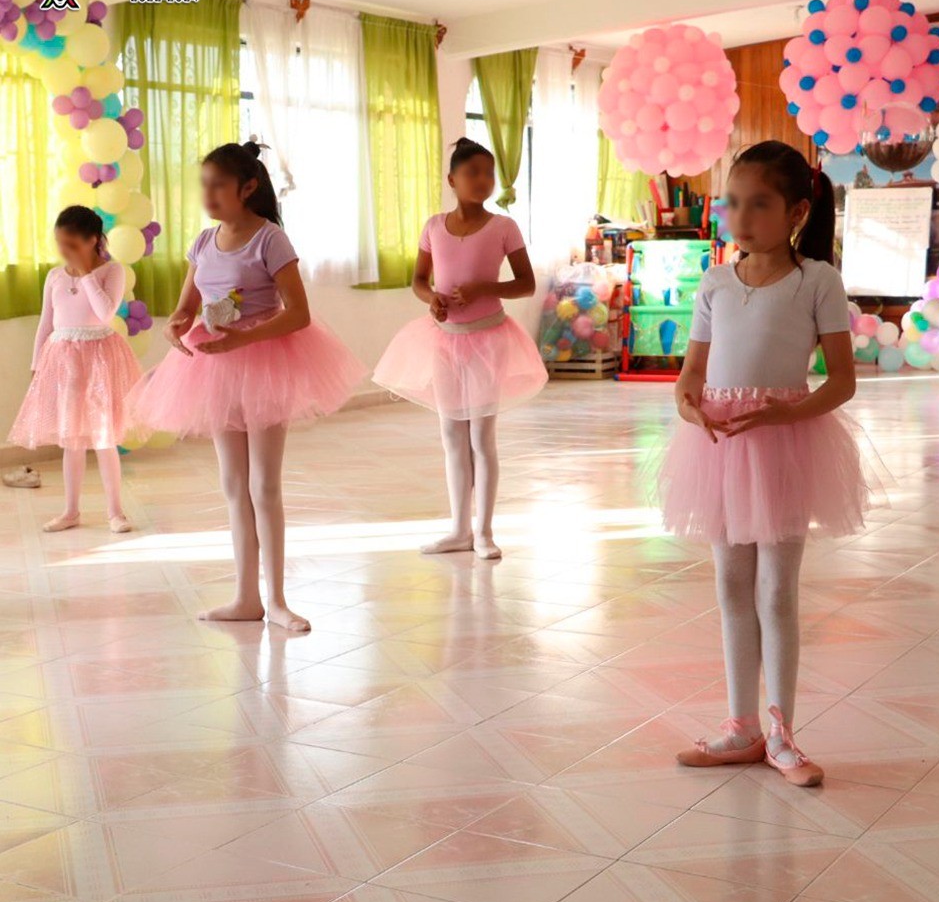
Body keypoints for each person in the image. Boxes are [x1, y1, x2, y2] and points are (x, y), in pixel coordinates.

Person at [660, 140, 872, 787]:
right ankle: (740, 726)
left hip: (784, 444)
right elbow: (690, 374)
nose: (741, 216)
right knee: (730, 586)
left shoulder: (818, 281)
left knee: (776, 590)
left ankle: (782, 734)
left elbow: (841, 382)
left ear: (798, 211)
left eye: (759, 203)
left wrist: (781, 415)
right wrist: (690, 406)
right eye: (732, 203)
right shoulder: (716, 281)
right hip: (722, 448)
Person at [127, 142, 367, 632]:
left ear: (248, 187)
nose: (208, 194)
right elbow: (185, 309)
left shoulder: (270, 239)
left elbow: (297, 314)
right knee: (233, 485)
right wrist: (175, 326)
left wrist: (243, 339)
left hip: (264, 362)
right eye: (204, 184)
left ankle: (277, 600)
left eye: (218, 184)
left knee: (264, 485)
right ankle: (245, 597)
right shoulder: (202, 242)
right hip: (213, 367)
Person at [372, 137, 547, 560]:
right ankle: (458, 530)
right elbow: (417, 279)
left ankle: (484, 532)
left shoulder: (503, 227)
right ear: (452, 179)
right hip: (444, 340)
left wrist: (485, 287)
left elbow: (526, 284)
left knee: (482, 436)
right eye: (473, 173)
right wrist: (429, 297)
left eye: (488, 173)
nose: (483, 180)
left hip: (489, 338)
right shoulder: (434, 226)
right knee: (452, 434)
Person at [8, 205, 141, 533]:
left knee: (104, 436)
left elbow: (105, 313)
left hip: (100, 357)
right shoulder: (54, 276)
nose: (64, 251)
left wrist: (85, 275)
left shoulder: (113, 271)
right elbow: (46, 323)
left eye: (72, 245)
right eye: (61, 244)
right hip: (64, 360)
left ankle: (116, 512)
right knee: (72, 439)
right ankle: (71, 511)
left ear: (92, 241)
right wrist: (37, 364)